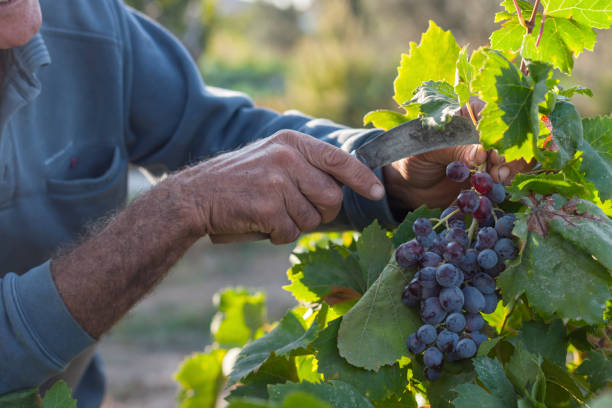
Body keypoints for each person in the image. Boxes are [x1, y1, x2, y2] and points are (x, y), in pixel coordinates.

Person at [0, 0, 517, 406]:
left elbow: (216, 133)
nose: (29, 23)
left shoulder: (87, 17)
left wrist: (389, 169)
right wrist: (176, 207)